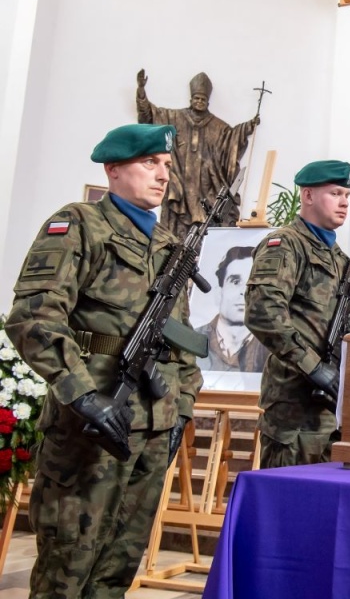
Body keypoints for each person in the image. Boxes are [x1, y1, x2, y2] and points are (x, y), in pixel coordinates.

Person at [5, 124, 203, 598]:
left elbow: (181, 342)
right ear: (113, 170)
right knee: (68, 565)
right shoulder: (79, 224)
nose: (161, 175)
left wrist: (182, 410)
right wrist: (84, 395)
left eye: (167, 166)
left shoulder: (171, 246)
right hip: (92, 426)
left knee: (118, 565)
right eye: (148, 163)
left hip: (152, 428)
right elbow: (33, 317)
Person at [245, 160, 350, 468]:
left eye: (346, 194)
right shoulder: (285, 246)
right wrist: (314, 366)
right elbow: (262, 312)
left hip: (332, 409)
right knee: (287, 507)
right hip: (294, 408)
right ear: (307, 196)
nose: (344, 201)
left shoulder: (341, 260)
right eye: (335, 193)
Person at [136, 69, 260, 240]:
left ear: (207, 102)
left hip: (205, 189)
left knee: (204, 231)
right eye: (197, 98)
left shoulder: (218, 127)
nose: (199, 101)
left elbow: (231, 140)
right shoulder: (174, 117)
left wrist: (247, 127)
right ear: (191, 99)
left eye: (203, 99)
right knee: (173, 232)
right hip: (179, 186)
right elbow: (149, 115)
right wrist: (141, 91)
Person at [193, 246, 269, 373]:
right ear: (219, 294)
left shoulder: (273, 346)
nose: (243, 292)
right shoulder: (192, 339)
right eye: (235, 282)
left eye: (252, 284)